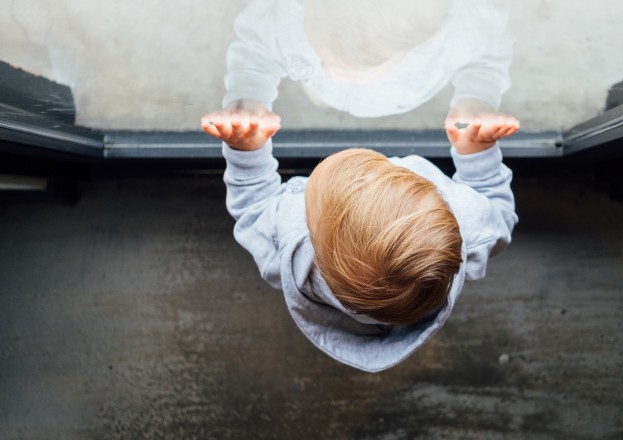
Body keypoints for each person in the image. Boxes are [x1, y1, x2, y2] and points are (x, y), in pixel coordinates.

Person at [200, 110, 520, 372]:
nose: (387, 160)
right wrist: (477, 153)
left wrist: (246, 150)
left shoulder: (291, 246)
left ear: (310, 228)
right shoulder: (469, 224)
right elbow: (499, 214)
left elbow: (255, 209)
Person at [223, 0, 513, 124]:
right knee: (320, 88)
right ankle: (325, 99)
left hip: (404, 97)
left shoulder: (463, 31)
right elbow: (257, 51)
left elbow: (486, 59)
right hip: (317, 91)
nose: (330, 72)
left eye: (354, 71)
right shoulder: (285, 9)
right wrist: (247, 96)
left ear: (415, 46)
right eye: (322, 55)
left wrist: (476, 97)